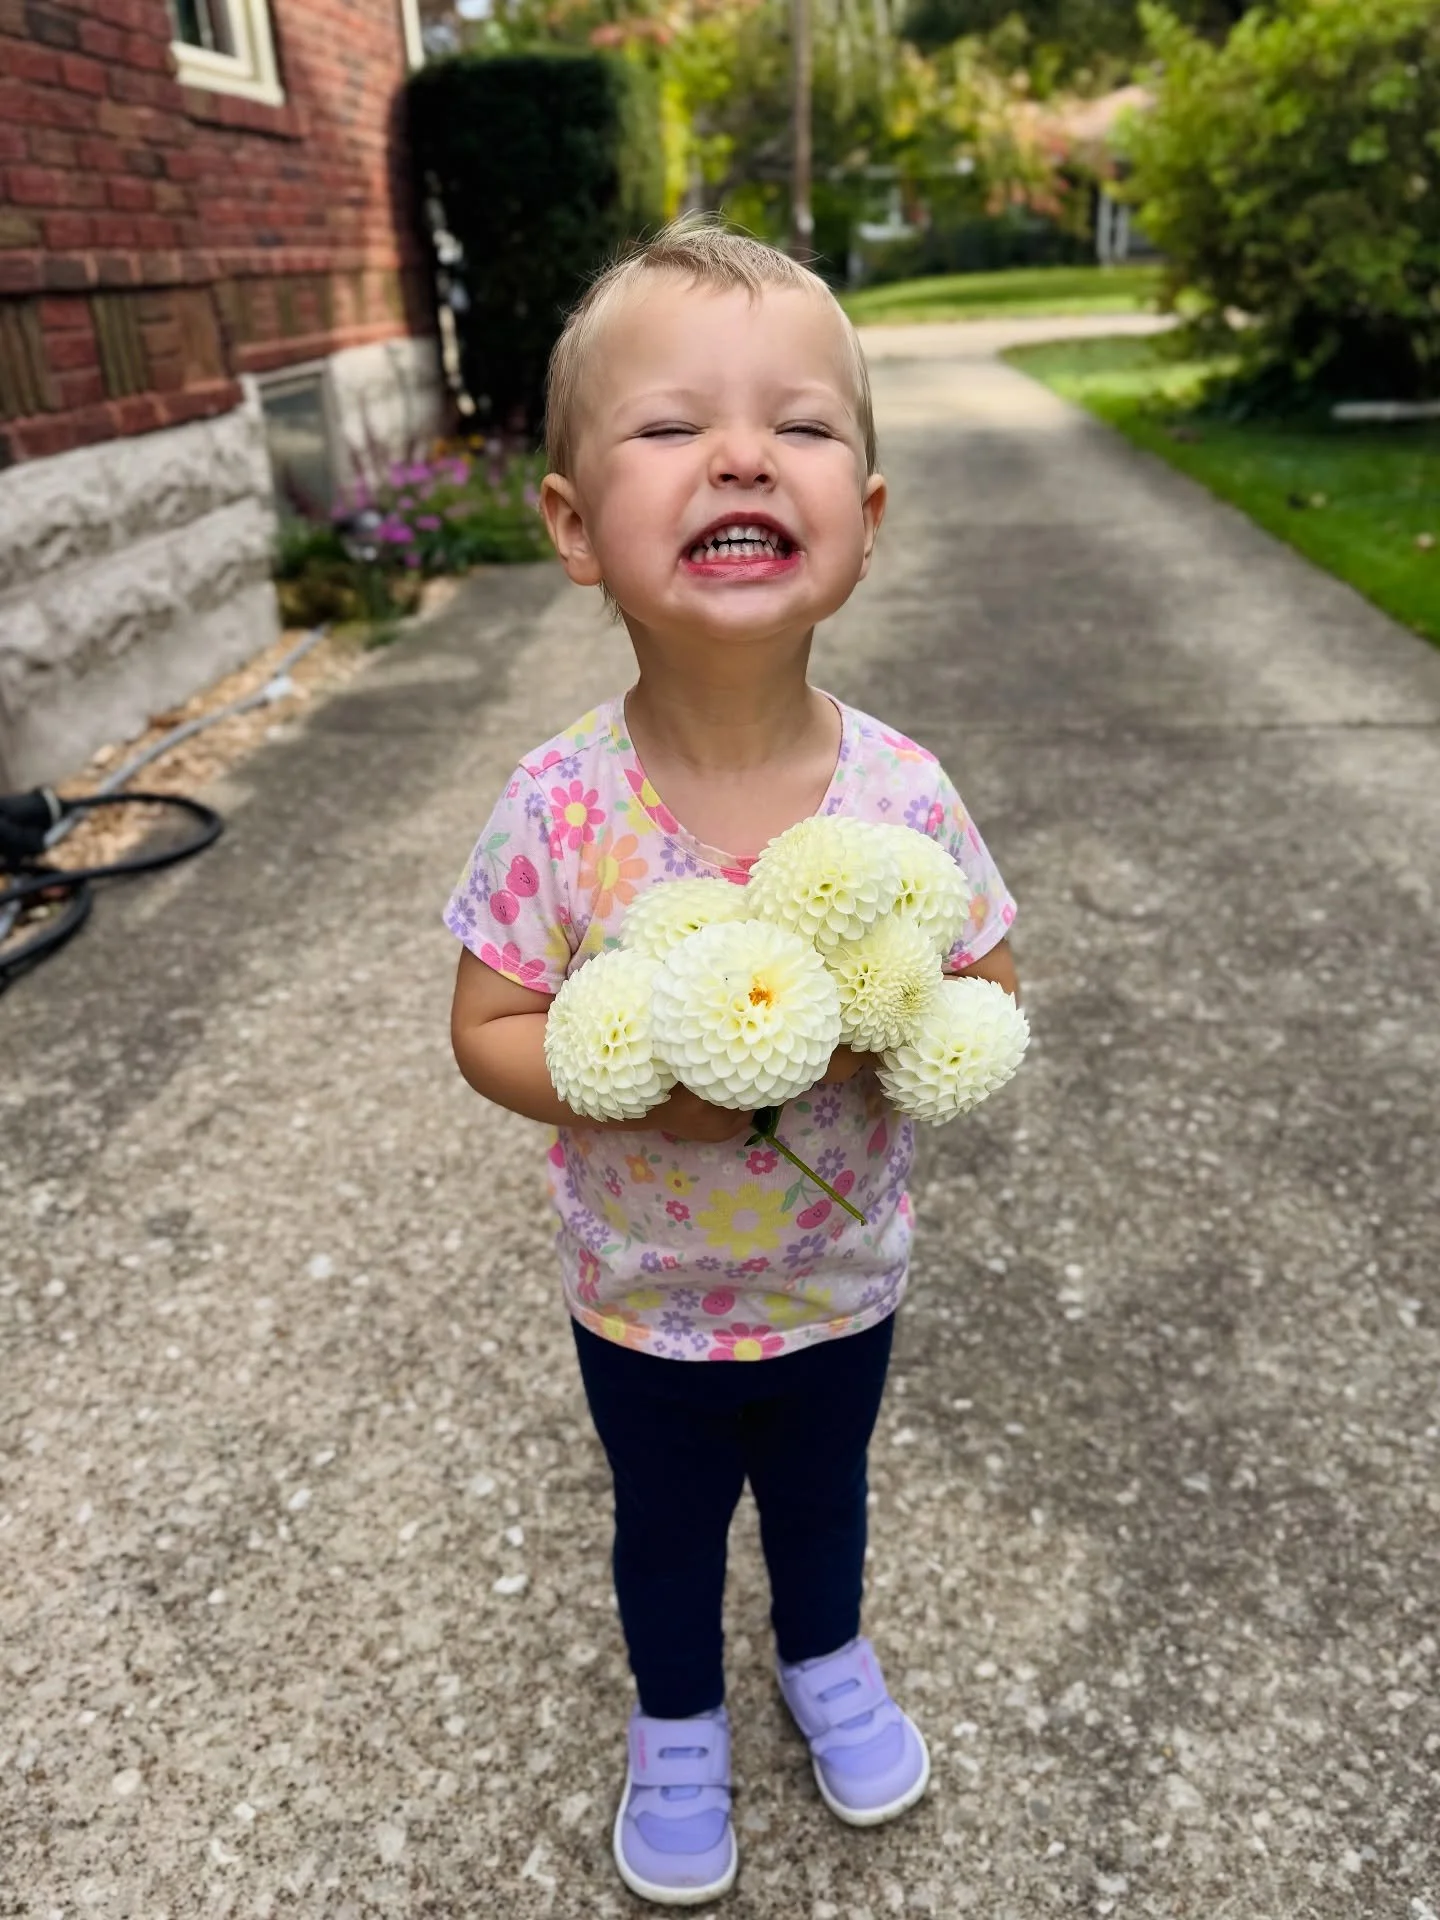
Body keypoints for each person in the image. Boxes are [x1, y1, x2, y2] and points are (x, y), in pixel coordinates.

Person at [446, 218, 1019, 1907]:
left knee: (825, 1494)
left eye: (802, 425)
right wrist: (633, 1082)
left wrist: (904, 1017)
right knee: (667, 1523)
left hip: (845, 1278)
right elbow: (484, 1027)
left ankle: (825, 1652)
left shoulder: (903, 796)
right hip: (641, 1290)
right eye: (672, 423)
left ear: (867, 521)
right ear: (570, 525)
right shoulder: (559, 808)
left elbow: (987, 972)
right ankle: (676, 1710)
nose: (743, 454)